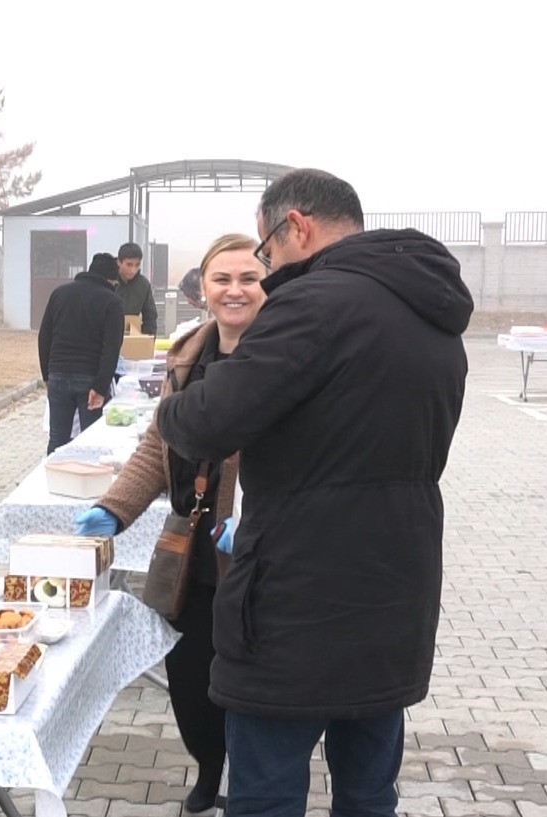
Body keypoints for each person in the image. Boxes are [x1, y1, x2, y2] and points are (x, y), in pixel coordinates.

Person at [157, 168, 472, 817]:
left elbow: (213, 419)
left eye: (264, 255)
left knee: (265, 794)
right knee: (366, 793)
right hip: (395, 592)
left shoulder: (311, 305)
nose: (266, 272)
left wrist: (166, 410)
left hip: (295, 603)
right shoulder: (429, 310)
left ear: (294, 225)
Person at [74, 233, 266, 814]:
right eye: (222, 279)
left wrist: (256, 516)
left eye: (248, 279)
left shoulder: (284, 355)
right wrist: (115, 508)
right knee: (189, 678)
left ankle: (252, 785)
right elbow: (159, 441)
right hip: (192, 547)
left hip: (261, 553)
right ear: (202, 288)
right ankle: (209, 768)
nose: (235, 290)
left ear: (267, 286)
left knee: (252, 679)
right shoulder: (189, 353)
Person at [38, 251, 125, 453]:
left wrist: (47, 376)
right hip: (90, 381)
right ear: (112, 280)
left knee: (57, 439)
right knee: (91, 440)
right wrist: (101, 387)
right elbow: (111, 348)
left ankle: (53, 481)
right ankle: (86, 481)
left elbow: (44, 337)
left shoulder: (59, 293)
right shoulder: (112, 302)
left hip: (58, 375)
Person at [116, 241, 158, 336]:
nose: (133, 270)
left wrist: (147, 342)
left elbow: (150, 317)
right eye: (129, 265)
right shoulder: (109, 282)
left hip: (132, 336)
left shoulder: (143, 285)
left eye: (137, 265)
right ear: (119, 262)